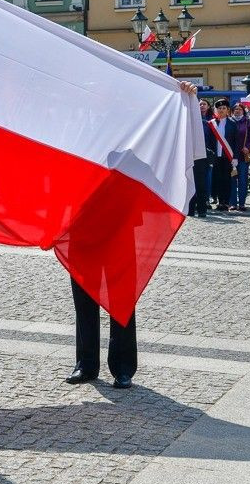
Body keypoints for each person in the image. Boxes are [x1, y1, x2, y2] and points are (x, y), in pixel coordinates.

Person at [65, 79, 198, 389]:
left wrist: (184, 101)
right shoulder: (76, 143)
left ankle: (123, 367)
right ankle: (85, 364)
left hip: (120, 234)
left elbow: (163, 155)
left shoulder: (132, 150)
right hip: (82, 232)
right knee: (83, 301)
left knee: (121, 300)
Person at [204, 99, 236, 213]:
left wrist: (235, 157)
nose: (221, 110)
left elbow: (236, 142)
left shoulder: (233, 123)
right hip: (215, 156)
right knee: (217, 179)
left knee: (226, 179)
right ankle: (218, 201)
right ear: (215, 110)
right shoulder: (211, 123)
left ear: (227, 110)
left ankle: (225, 202)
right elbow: (207, 140)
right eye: (219, 108)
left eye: (224, 108)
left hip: (227, 156)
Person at [189, 100, 214, 218]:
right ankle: (190, 209)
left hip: (201, 157)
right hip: (188, 156)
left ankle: (202, 209)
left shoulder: (206, 124)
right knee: (189, 182)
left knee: (201, 184)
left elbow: (211, 140)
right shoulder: (186, 123)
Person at [228, 103, 250, 211]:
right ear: (232, 111)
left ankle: (242, 203)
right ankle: (232, 203)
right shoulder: (229, 122)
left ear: (243, 111)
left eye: (240, 109)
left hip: (243, 156)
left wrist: (248, 147)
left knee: (243, 180)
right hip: (231, 156)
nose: (237, 111)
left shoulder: (248, 122)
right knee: (232, 180)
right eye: (236, 109)